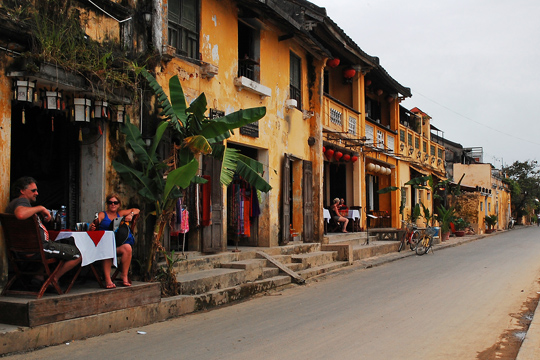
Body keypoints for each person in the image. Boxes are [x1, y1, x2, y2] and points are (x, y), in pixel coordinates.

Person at [5, 176, 82, 286]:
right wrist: (41, 208)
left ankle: (38, 276)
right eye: (33, 190)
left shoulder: (16, 204)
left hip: (25, 249)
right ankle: (53, 280)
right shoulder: (21, 201)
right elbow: (20, 214)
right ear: (22, 191)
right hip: (39, 249)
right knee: (78, 254)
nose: (37, 193)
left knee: (64, 242)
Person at [90, 193, 140, 288]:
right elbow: (94, 223)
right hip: (103, 244)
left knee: (128, 248)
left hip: (116, 243)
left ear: (119, 204)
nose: (113, 204)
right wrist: (92, 226)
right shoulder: (102, 214)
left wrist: (131, 214)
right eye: (110, 202)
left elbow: (137, 210)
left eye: (115, 202)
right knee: (108, 249)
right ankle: (108, 279)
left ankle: (124, 275)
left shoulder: (120, 213)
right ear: (107, 204)